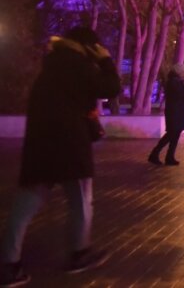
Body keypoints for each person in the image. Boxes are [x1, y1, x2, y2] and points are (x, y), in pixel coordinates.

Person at [0, 26, 120, 284]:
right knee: (80, 203)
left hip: (39, 149)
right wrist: (106, 61)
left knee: (24, 207)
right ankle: (79, 253)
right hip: (69, 150)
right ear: (89, 47)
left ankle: (8, 264)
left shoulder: (52, 66)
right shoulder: (78, 65)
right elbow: (111, 88)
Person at [148, 63, 184, 167]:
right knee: (171, 134)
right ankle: (154, 154)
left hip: (179, 110)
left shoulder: (178, 81)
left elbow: (183, 95)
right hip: (174, 111)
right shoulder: (173, 82)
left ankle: (170, 156)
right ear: (179, 72)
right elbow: (179, 95)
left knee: (175, 134)